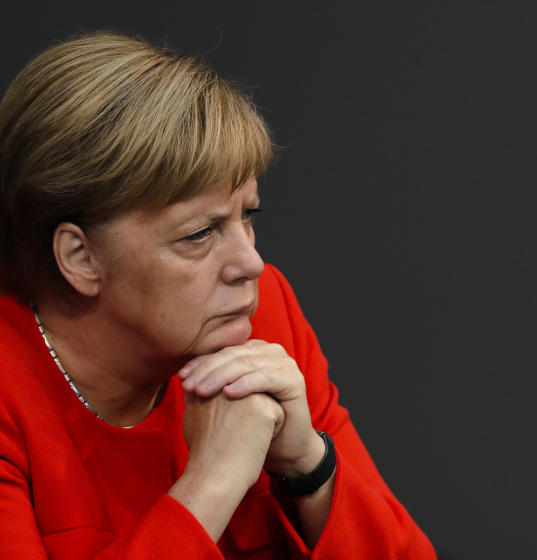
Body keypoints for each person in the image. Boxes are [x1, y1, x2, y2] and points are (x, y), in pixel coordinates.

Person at [0, 32, 436, 559]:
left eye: (246, 215)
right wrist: (210, 484)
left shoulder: (262, 313)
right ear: (80, 258)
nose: (250, 263)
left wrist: (308, 466)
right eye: (199, 233)